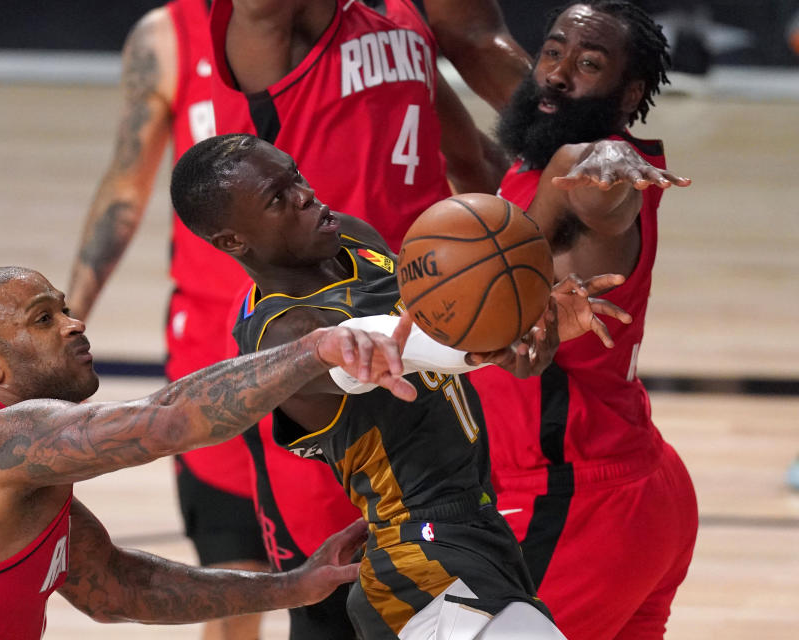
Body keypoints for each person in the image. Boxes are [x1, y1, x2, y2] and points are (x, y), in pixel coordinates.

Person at [169, 133, 632, 638]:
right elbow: (384, 345)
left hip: (478, 527)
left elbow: (446, 330)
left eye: (295, 175)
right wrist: (492, 339)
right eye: (277, 199)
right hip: (418, 557)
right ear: (233, 241)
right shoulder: (278, 337)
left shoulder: (352, 239)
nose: (305, 194)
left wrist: (523, 338)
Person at [0, 265, 417, 639]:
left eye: (64, 308)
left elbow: (112, 587)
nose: (74, 324)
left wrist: (291, 587)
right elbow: (167, 421)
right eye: (44, 319)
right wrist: (314, 349)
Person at [207, 1, 527, 633]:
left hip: (422, 321)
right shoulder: (280, 25)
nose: (303, 193)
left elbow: (477, 162)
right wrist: (482, 331)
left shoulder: (405, 18)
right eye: (283, 191)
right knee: (327, 602)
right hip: (321, 361)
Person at [467, 2, 698, 639]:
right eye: (552, 52)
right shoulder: (533, 162)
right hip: (632, 482)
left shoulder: (597, 169)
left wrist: (597, 162)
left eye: (588, 64)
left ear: (628, 94)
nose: (558, 74)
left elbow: (603, 192)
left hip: (569, 499)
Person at [64, 3, 272, 637]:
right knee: (236, 574)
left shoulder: (350, 29)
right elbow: (125, 187)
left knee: (351, 572)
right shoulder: (167, 36)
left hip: (331, 326)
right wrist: (67, 320)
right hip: (215, 341)